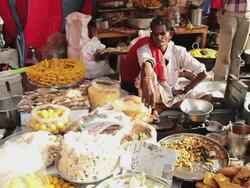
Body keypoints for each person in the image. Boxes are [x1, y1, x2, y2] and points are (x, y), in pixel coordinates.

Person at [120, 16, 212, 122]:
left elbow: (203, 73)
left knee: (207, 98)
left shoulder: (178, 51)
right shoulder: (144, 49)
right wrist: (148, 80)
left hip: (172, 91)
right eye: (156, 34)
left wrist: (185, 89)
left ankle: (162, 107)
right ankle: (158, 104)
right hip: (155, 92)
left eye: (163, 33)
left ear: (170, 35)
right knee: (146, 75)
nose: (159, 37)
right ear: (151, 35)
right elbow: (146, 63)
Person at [213, 0, 250, 81]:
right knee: (224, 53)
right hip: (229, 12)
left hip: (247, 14)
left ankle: (232, 85)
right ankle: (218, 84)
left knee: (237, 54)